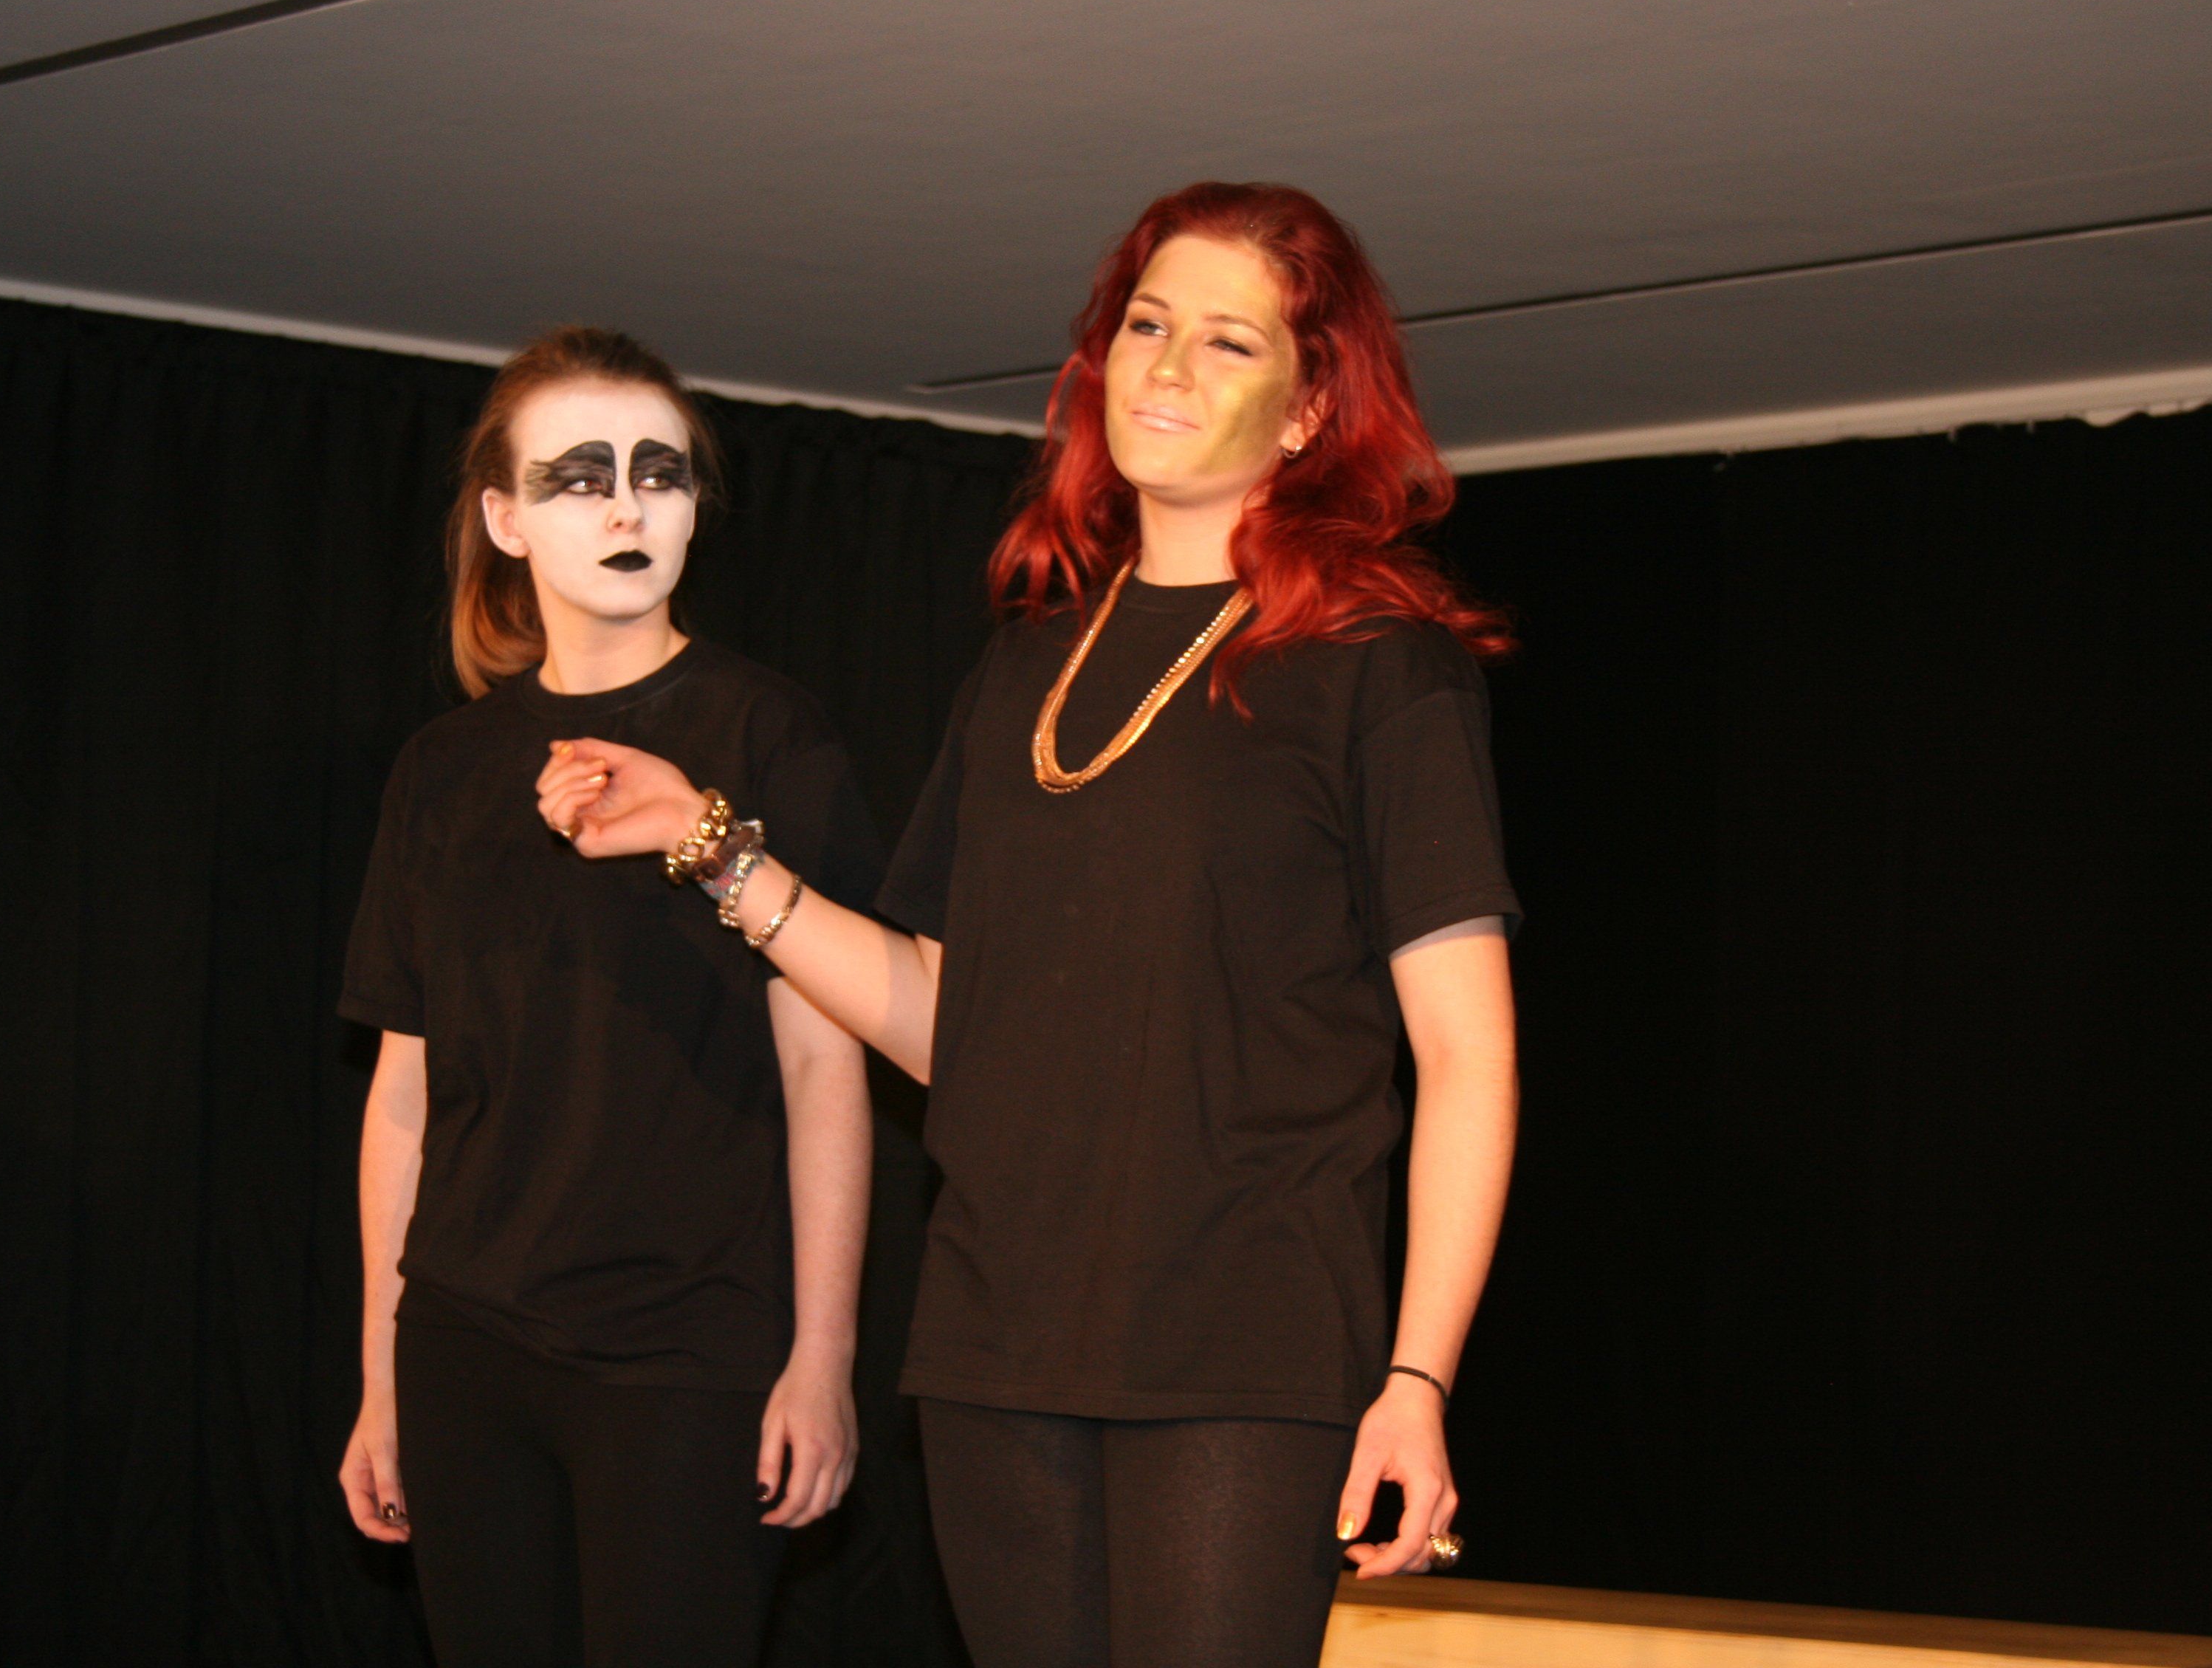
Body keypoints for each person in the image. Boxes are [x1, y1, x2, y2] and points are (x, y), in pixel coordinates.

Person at [538, 184, 1520, 1668]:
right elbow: (954, 1026)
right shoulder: (1025, 672)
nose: (1167, 366)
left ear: (1312, 409)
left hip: (1241, 1343)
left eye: (1229, 341)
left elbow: (1467, 1058)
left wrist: (1419, 1377)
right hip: (998, 1338)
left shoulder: (1380, 669)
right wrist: (715, 850)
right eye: (1147, 325)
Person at [335, 326, 882, 1667]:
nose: (628, 507)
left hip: (688, 1348)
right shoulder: (443, 769)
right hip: (466, 1338)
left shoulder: (769, 735)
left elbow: (827, 1069)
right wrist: (382, 1376)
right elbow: (405, 1094)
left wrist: (822, 1359)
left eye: (660, 473)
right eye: (581, 478)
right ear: (505, 519)